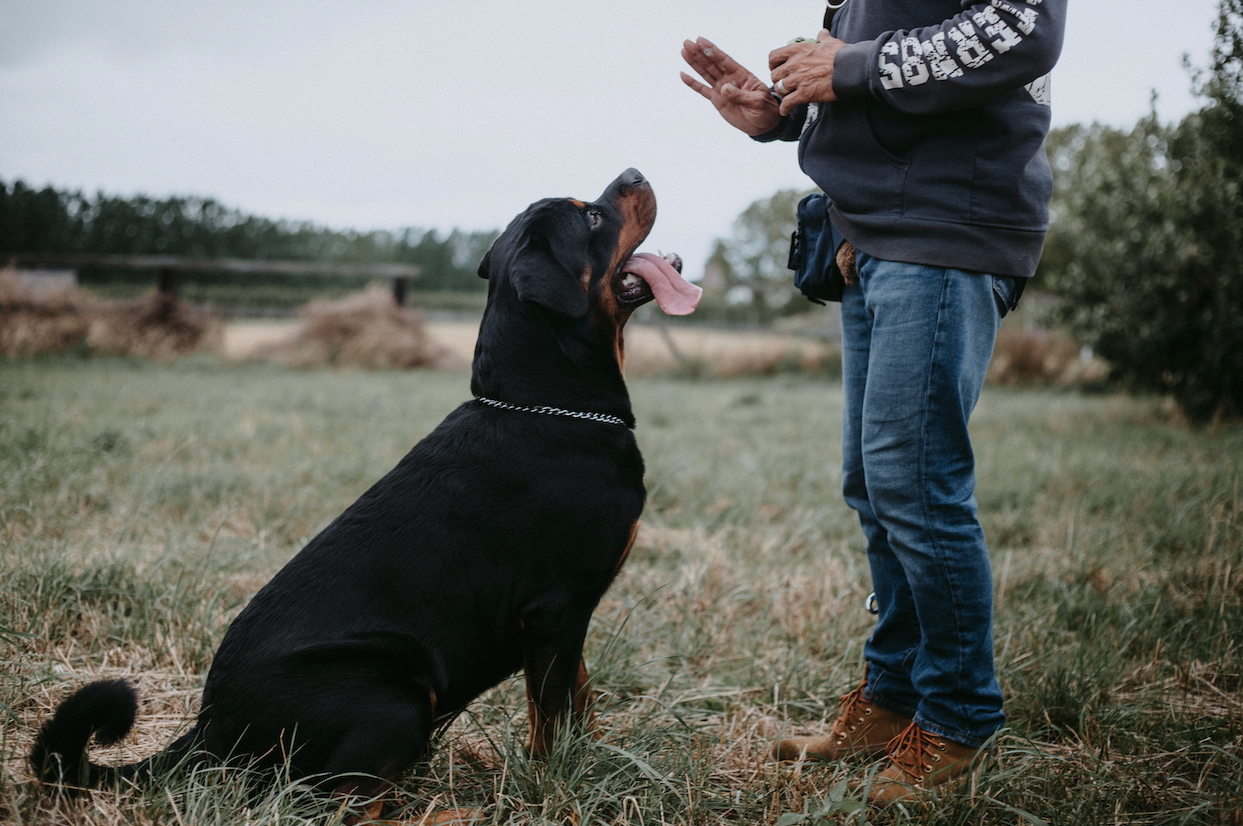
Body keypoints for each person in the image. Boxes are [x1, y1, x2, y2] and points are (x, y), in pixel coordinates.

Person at [681, 0, 1065, 806]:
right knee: (875, 485)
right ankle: (892, 699)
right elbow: (887, 75)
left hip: (944, 229)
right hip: (873, 231)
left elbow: (1021, 29)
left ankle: (959, 718)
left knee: (915, 487)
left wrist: (848, 66)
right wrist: (783, 113)